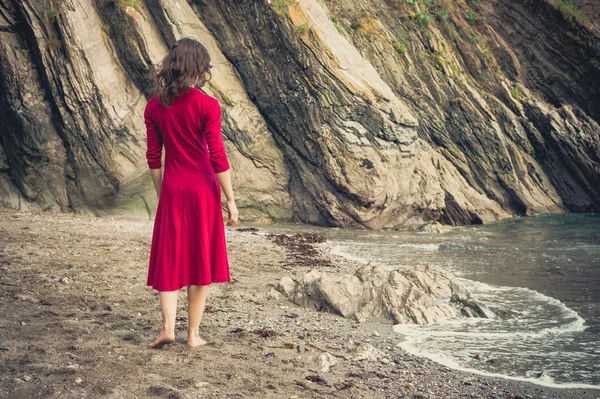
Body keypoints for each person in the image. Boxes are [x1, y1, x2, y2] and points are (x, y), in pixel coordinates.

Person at [143, 38, 238, 349]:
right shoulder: (207, 105)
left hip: (172, 188)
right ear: (199, 68)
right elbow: (217, 155)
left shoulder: (154, 106)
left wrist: (162, 193)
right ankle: (193, 335)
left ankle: (167, 328)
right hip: (202, 190)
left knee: (169, 258)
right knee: (200, 260)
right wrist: (231, 200)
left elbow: (153, 156)